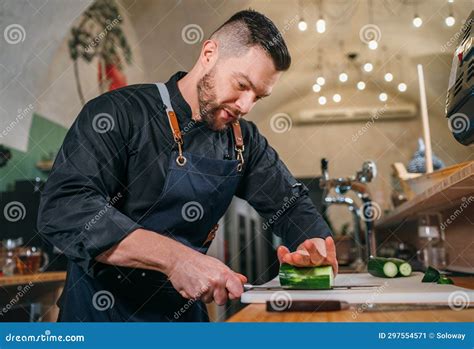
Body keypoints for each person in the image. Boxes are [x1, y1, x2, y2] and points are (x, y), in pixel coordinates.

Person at [37, 9, 338, 322]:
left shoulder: (242, 140)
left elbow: (291, 205)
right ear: (209, 53)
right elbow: (65, 209)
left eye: (258, 97)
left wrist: (312, 244)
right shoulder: (118, 113)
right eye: (241, 85)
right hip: (100, 317)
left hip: (181, 318)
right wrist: (176, 260)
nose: (246, 106)